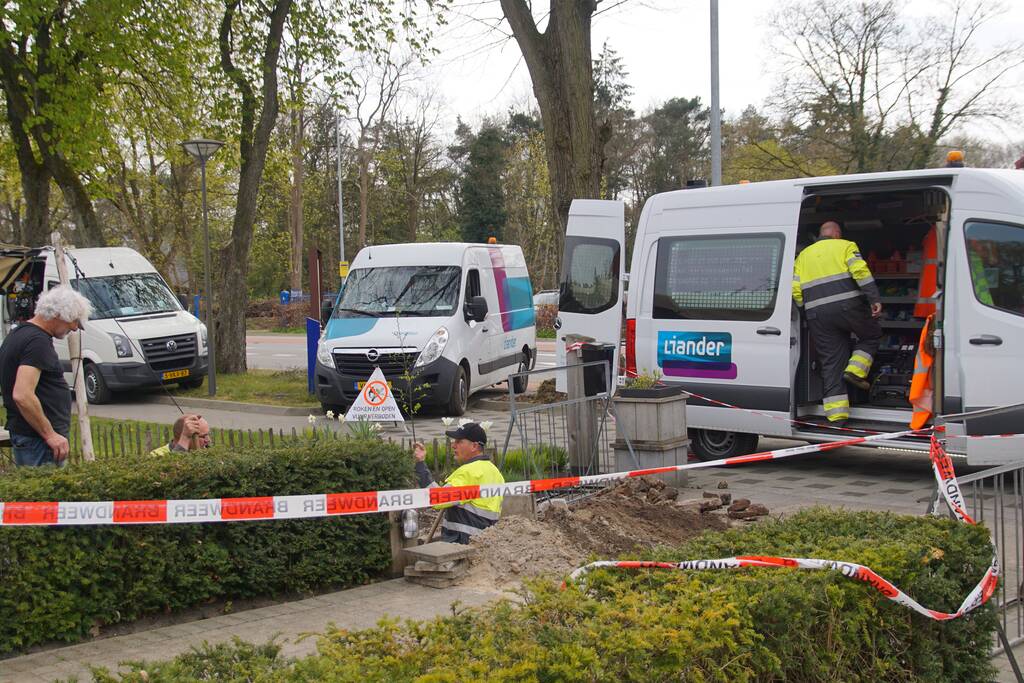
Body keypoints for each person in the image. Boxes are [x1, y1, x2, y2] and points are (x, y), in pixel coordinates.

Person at [793, 221, 883, 426]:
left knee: (831, 362)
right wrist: (874, 299)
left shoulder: (803, 255)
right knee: (871, 335)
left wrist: (806, 312)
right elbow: (861, 272)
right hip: (849, 309)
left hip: (817, 316)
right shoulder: (845, 246)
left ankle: (836, 418)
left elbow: (796, 289)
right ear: (836, 234)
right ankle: (856, 371)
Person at [0, 284, 91, 466]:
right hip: (39, 442)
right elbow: (22, 395)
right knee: (46, 494)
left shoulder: (19, 334)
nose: (74, 328)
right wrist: (50, 434)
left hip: (32, 438)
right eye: (74, 320)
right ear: (59, 315)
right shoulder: (37, 342)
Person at [413, 422, 504, 544]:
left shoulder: (467, 472)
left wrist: (420, 464)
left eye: (459, 441)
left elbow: (437, 498)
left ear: (474, 446)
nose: (453, 445)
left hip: (462, 543)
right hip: (486, 543)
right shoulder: (495, 472)